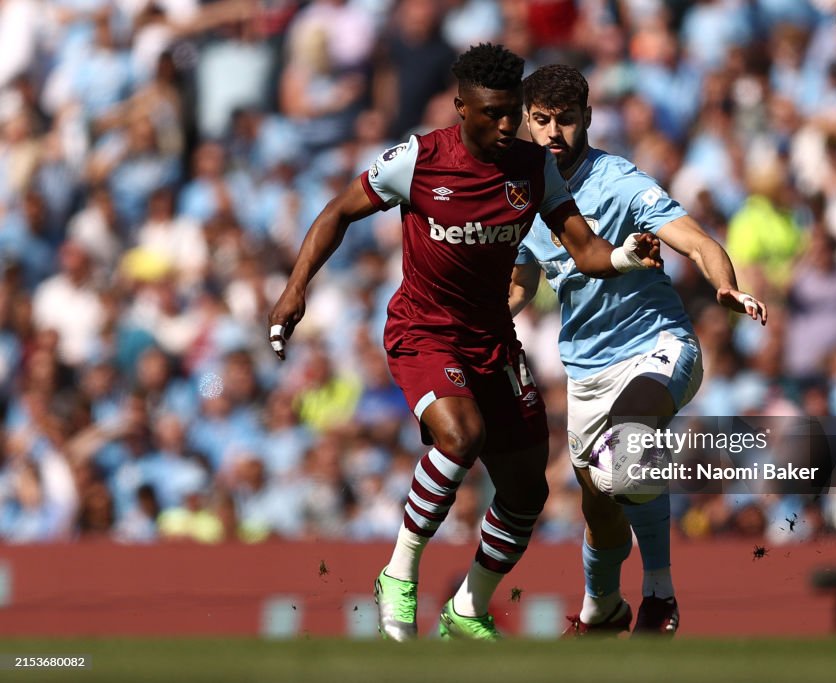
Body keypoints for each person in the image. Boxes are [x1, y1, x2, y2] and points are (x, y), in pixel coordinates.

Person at [267, 44, 660, 641]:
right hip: (424, 332)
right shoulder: (418, 160)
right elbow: (337, 211)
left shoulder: (534, 168)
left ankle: (467, 608)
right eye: (492, 114)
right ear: (460, 109)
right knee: (462, 435)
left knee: (527, 490)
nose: (507, 126)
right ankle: (399, 573)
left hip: (493, 342)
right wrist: (295, 289)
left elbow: (583, 249)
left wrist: (626, 254)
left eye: (512, 113)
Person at [510, 64, 767, 636]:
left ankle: (660, 593)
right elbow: (523, 281)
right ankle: (602, 607)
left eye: (567, 121)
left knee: (627, 447)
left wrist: (723, 283)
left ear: (588, 121)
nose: (555, 133)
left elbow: (698, 241)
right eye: (543, 121)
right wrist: (489, 317)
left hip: (658, 344)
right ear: (526, 121)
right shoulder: (522, 196)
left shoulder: (619, 182)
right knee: (600, 504)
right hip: (586, 368)